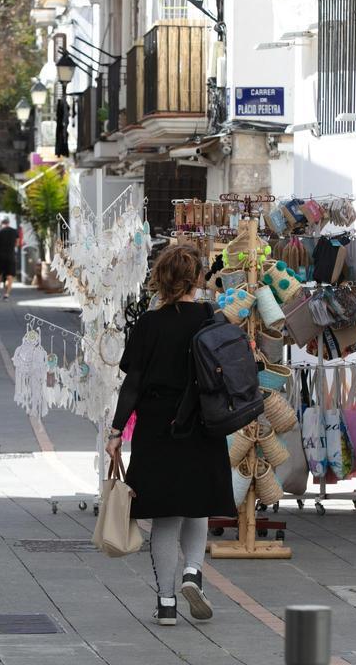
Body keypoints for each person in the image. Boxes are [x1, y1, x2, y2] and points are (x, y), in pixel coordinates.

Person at [105, 245, 236, 627]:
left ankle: (165, 603)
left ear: (161, 278)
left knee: (165, 516)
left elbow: (133, 383)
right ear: (198, 278)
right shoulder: (212, 318)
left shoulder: (149, 324)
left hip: (158, 424)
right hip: (202, 420)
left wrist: (116, 431)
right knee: (197, 505)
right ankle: (192, 573)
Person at [0, 217, 20, 301]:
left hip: (0, 256)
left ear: (1, 222)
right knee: (9, 276)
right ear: (9, 222)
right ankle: (6, 294)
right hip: (10, 255)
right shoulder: (15, 231)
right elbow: (17, 244)